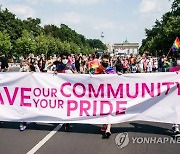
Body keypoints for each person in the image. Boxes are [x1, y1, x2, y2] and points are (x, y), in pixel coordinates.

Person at [92, 54, 116, 138]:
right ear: (101, 61)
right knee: (102, 109)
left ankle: (108, 129)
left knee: (109, 110)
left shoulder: (111, 70)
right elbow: (92, 78)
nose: (106, 63)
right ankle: (104, 124)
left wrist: (119, 75)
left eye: (107, 61)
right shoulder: (97, 69)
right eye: (104, 61)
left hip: (109, 93)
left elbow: (116, 80)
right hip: (100, 93)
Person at [55, 52, 77, 131]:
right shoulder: (59, 66)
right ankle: (66, 121)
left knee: (68, 105)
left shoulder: (71, 65)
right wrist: (56, 73)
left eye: (65, 58)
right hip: (62, 90)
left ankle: (67, 122)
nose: (64, 59)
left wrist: (71, 69)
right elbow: (56, 75)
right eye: (63, 58)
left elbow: (77, 74)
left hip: (70, 89)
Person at [169, 52, 180, 136]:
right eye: (178, 59)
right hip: (175, 93)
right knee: (176, 110)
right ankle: (176, 127)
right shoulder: (172, 70)